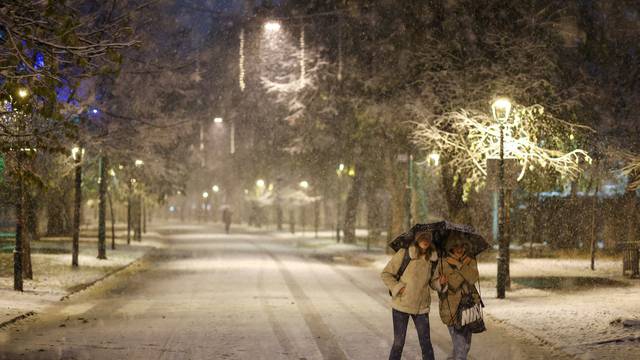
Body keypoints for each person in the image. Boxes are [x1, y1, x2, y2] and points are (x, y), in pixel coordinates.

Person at [381, 231, 438, 360]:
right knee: (398, 343)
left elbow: (433, 282)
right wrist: (397, 287)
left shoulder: (433, 259)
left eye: (428, 238)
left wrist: (441, 283)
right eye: (422, 238)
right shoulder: (405, 254)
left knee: (426, 344)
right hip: (401, 305)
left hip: (421, 307)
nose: (425, 240)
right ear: (416, 240)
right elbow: (386, 274)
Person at [431, 233, 480, 360]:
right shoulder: (443, 262)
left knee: (466, 346)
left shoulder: (471, 260)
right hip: (451, 309)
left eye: (462, 246)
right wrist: (440, 283)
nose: (459, 249)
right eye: (456, 246)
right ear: (450, 247)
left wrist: (459, 265)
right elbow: (452, 283)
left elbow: (474, 278)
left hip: (469, 306)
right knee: (461, 348)